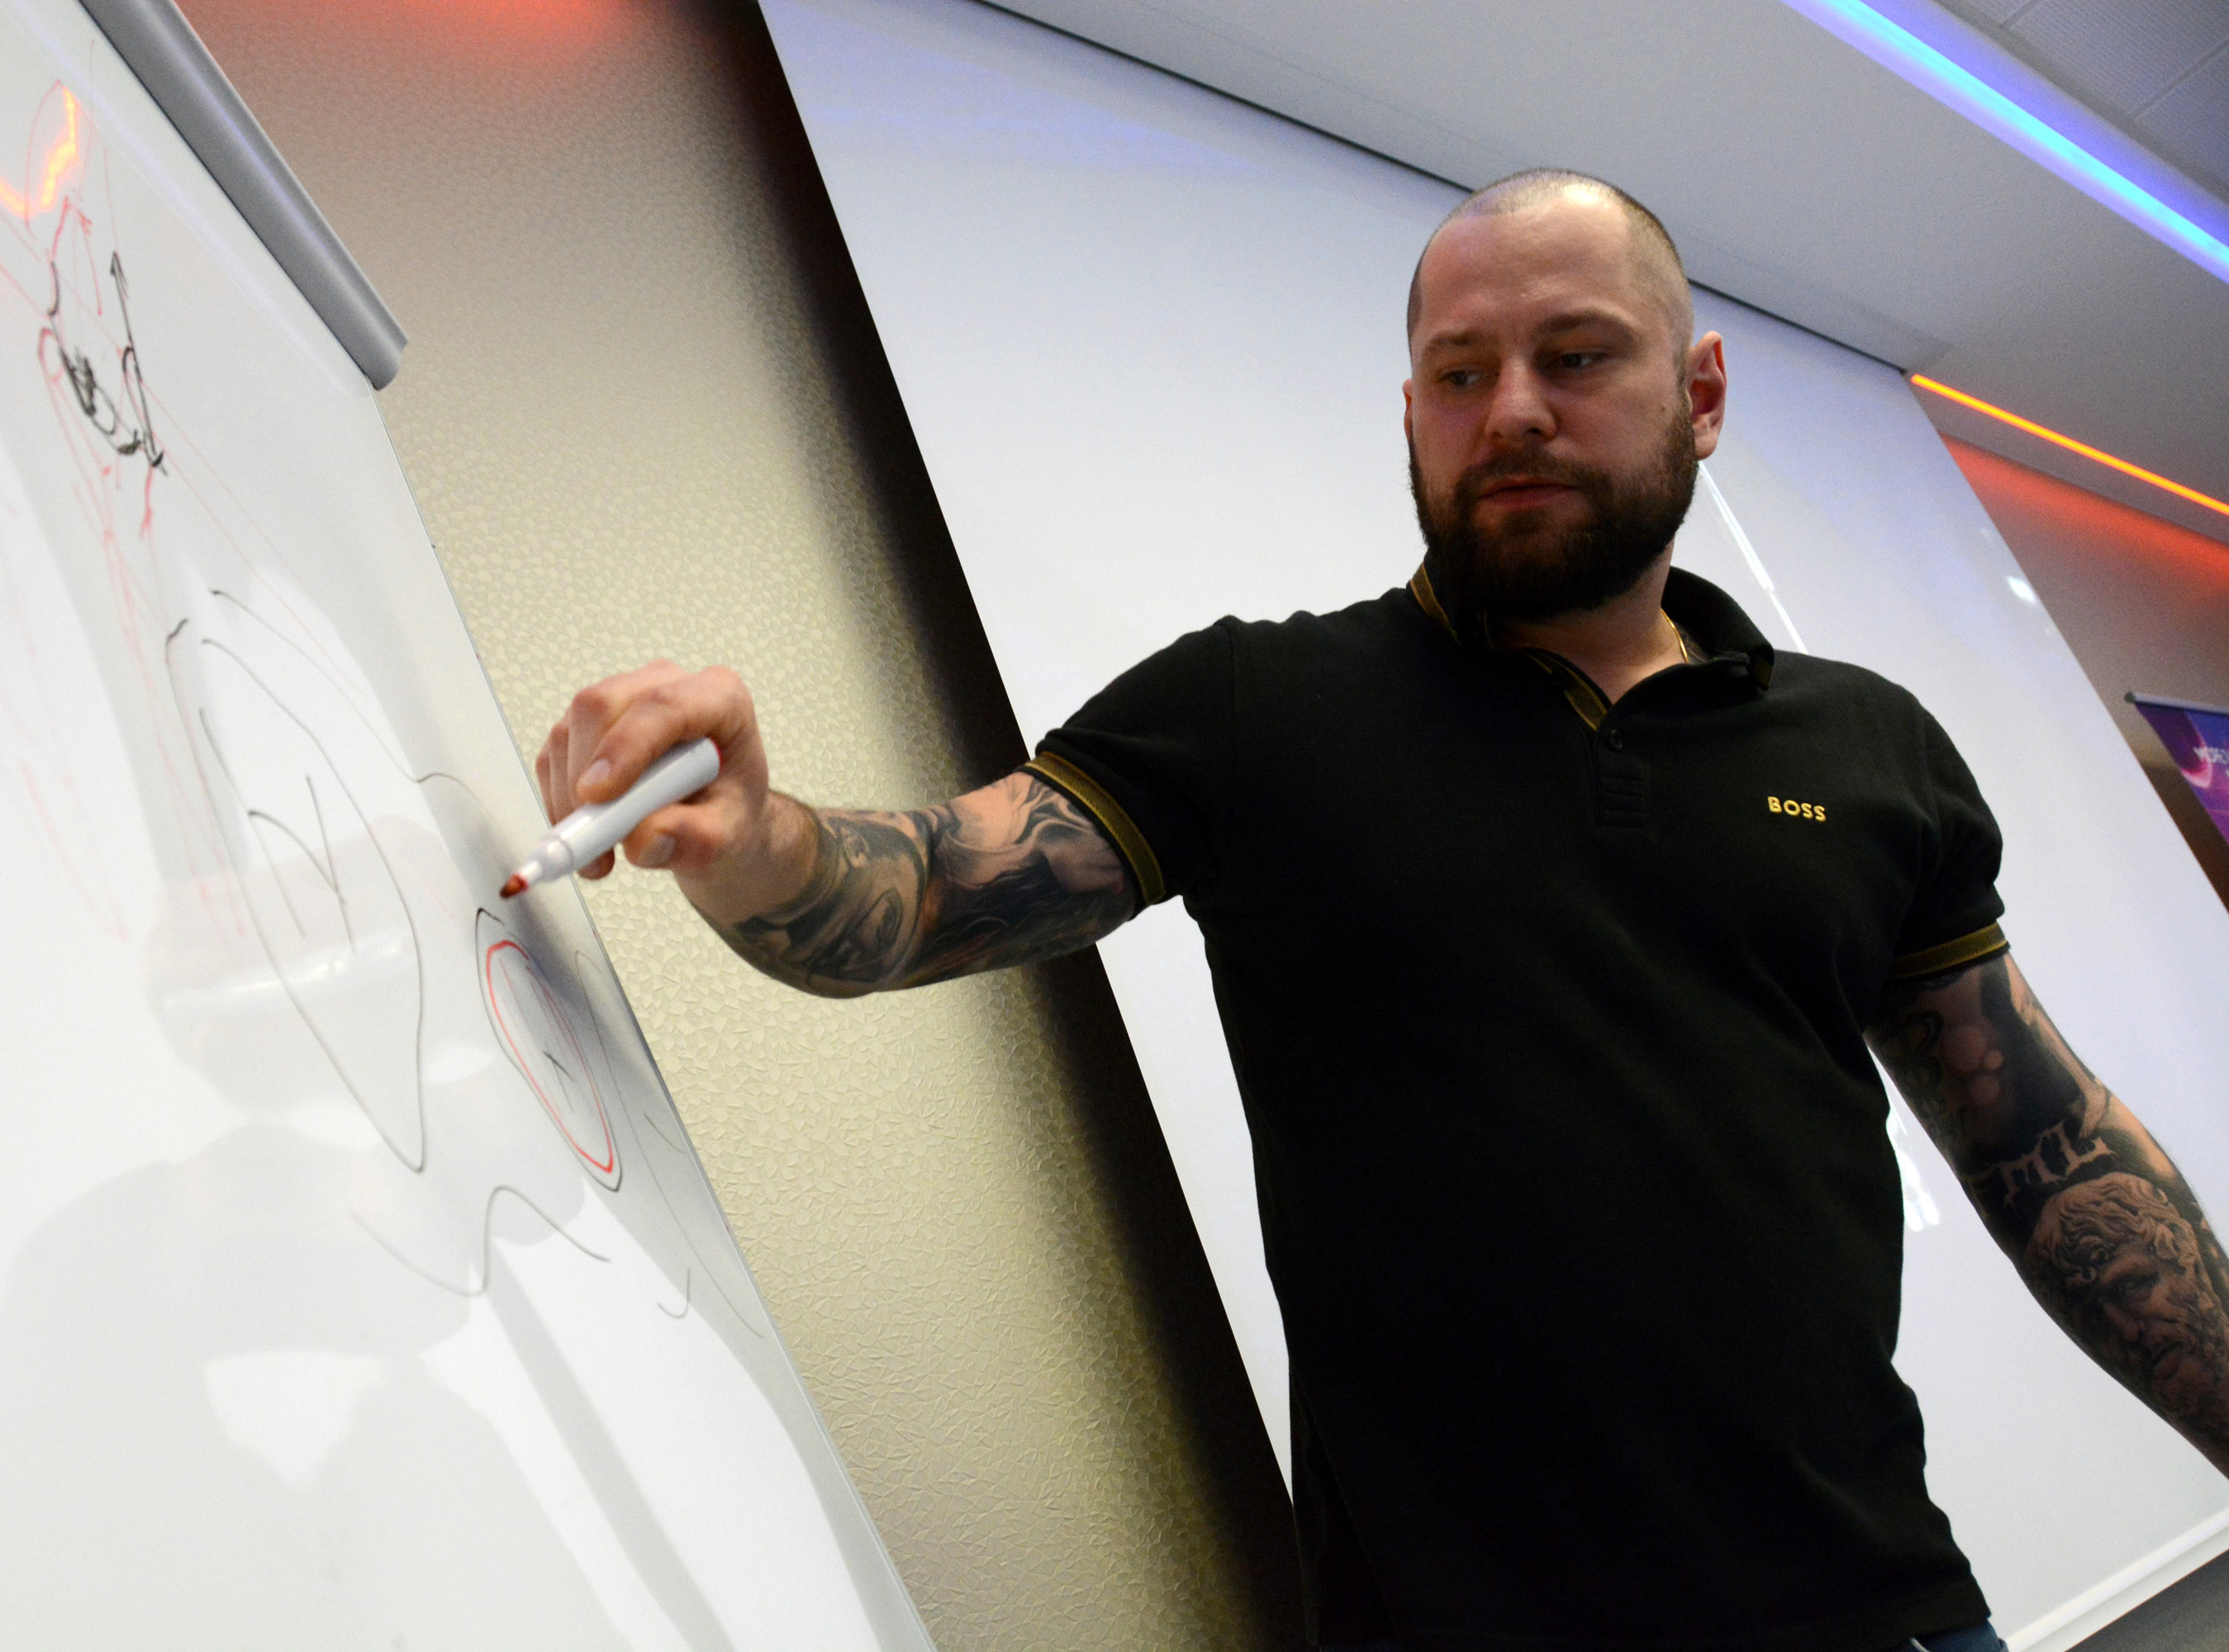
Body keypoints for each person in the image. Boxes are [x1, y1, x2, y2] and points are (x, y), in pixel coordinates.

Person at [530, 170, 2229, 1650]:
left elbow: (2045, 1151)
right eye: (1460, 373)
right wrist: (755, 836)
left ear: (1701, 392)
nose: (1512, 411)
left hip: (1879, 1612)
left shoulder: (1871, 747)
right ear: (1410, 413)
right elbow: (918, 894)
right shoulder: (1257, 710)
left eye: (1577, 357)